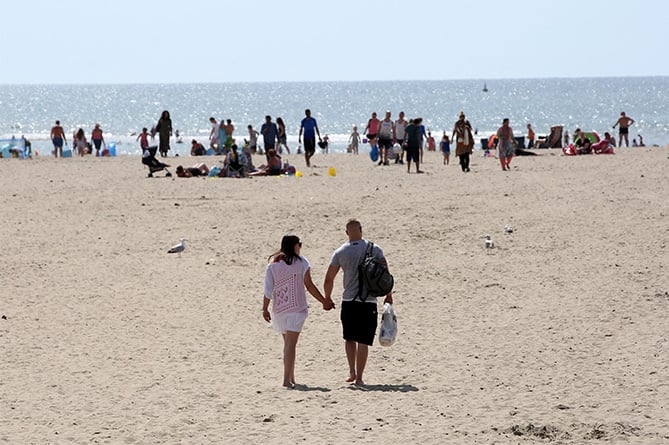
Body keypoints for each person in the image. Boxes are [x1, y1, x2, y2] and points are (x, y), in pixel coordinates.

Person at [323, 219, 393, 386]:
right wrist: (388, 295)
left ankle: (352, 372)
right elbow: (386, 275)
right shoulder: (374, 249)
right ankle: (360, 377)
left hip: (349, 301)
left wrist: (327, 297)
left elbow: (329, 279)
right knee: (363, 340)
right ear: (361, 229)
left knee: (349, 338)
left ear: (347, 233)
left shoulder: (340, 252)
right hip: (369, 301)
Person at [263, 235, 334, 388]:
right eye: (299, 244)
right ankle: (286, 380)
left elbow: (268, 290)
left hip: (280, 310)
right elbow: (309, 285)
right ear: (294, 246)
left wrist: (264, 308)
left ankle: (291, 377)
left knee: (288, 345)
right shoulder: (302, 263)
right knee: (291, 345)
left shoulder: (272, 266)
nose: (300, 247)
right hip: (296, 309)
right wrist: (324, 301)